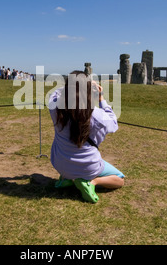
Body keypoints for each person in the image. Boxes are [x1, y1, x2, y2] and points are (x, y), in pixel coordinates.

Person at [48, 70, 124, 203]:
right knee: (119, 179)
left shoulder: (55, 108)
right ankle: (92, 182)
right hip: (88, 167)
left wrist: (73, 85)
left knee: (69, 163)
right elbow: (113, 123)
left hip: (59, 163)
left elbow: (54, 94)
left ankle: (67, 179)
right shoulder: (97, 116)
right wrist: (101, 97)